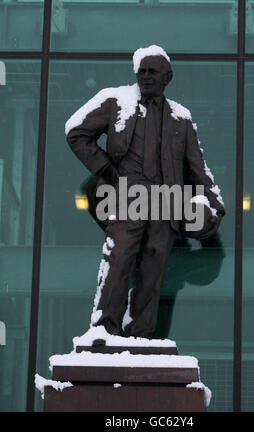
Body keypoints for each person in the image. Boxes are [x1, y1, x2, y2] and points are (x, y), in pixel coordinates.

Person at [65, 45, 225, 339]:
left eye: (153, 72)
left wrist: (213, 204)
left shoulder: (182, 118)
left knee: (153, 274)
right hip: (128, 199)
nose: (146, 76)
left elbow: (197, 168)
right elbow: (75, 131)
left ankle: (141, 336)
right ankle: (103, 330)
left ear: (168, 77)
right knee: (118, 262)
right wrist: (104, 168)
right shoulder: (115, 101)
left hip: (165, 206)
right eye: (142, 71)